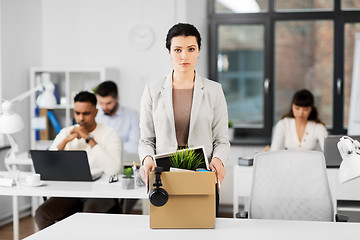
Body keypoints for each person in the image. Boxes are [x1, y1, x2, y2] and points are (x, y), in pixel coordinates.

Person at [138, 23, 230, 213]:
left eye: (191, 49)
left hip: (202, 175)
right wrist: (147, 158)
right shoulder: (152, 90)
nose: (184, 56)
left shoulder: (214, 90)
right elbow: (147, 139)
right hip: (164, 178)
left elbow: (221, 140)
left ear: (199, 50)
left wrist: (219, 160)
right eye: (177, 49)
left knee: (204, 229)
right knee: (166, 230)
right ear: (169, 51)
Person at [34, 91, 122, 230]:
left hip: (100, 192)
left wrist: (89, 139)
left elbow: (114, 169)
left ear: (96, 112)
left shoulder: (110, 133)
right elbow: (49, 164)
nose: (81, 118)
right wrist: (65, 141)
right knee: (41, 214)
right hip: (70, 191)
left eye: (86, 113)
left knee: (87, 216)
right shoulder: (66, 132)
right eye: (77, 113)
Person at [95, 80, 140, 154]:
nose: (104, 107)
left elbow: (134, 146)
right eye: (101, 103)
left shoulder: (132, 116)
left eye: (108, 103)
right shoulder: (96, 116)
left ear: (117, 98)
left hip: (125, 160)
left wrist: (106, 147)